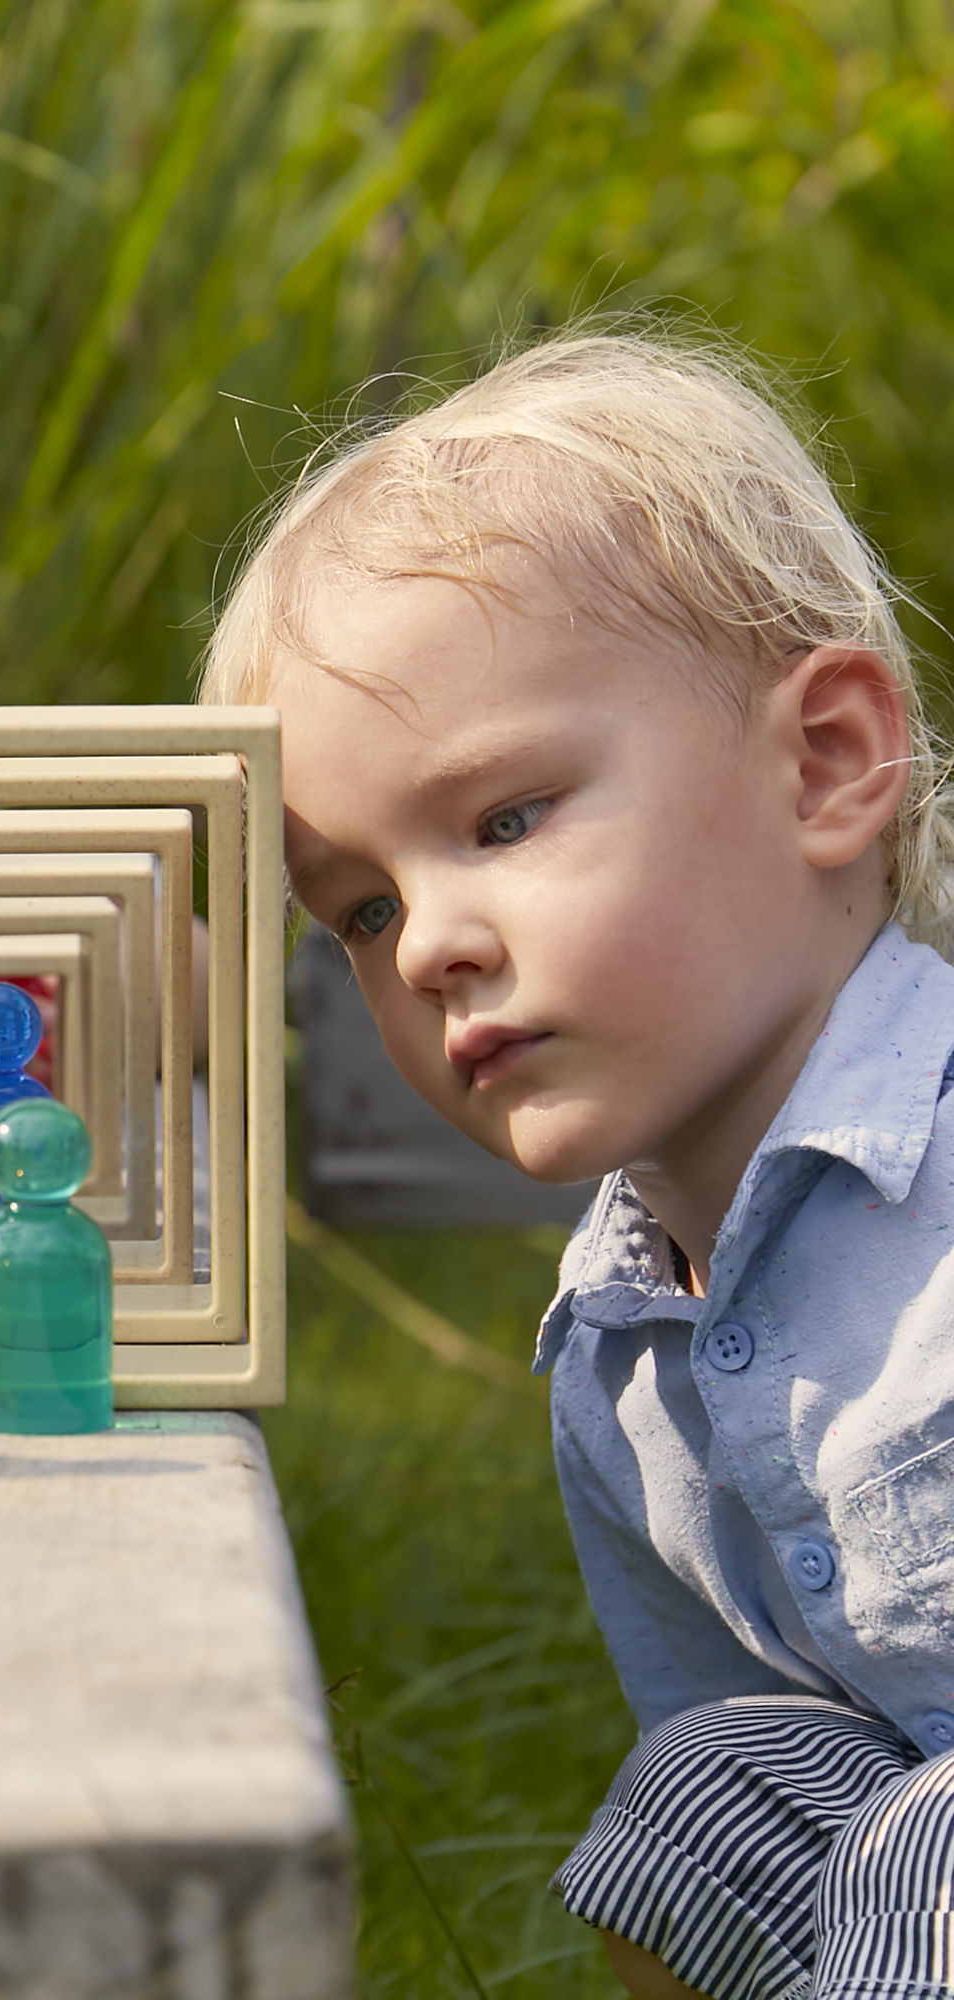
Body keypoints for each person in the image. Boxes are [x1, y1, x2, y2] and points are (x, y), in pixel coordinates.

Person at [201, 329, 954, 2000]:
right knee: (711, 1799)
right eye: (363, 910)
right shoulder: (616, 1346)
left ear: (825, 761)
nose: (429, 950)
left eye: (505, 820)